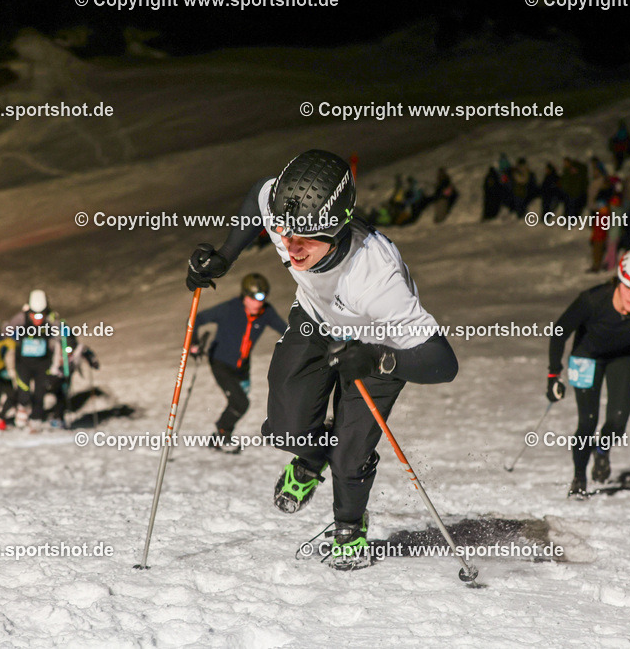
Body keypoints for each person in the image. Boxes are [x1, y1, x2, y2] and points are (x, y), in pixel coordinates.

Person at [185, 149, 458, 570]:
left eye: (306, 240)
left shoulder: (376, 277)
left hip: (380, 348)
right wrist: (225, 255)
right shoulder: (289, 214)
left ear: (338, 228)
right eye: (283, 233)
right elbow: (260, 194)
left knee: (350, 454)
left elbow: (443, 362)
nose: (290, 248)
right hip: (315, 319)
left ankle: (349, 525)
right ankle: (311, 459)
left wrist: (380, 360)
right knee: (287, 428)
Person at [547, 248, 630, 497]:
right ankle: (579, 478)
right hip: (586, 356)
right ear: (619, 280)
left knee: (616, 422)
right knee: (588, 421)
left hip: (624, 357)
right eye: (629, 288)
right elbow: (560, 330)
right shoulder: (593, 300)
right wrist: (553, 375)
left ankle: (602, 451)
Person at [189, 273, 288, 452]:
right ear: (244, 296)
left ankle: (221, 435)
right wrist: (193, 343)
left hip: (242, 365)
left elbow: (285, 331)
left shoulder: (266, 312)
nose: (258, 303)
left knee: (239, 400)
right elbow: (197, 318)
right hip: (221, 362)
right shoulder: (230, 308)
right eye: (254, 298)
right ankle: (221, 435)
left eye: (263, 298)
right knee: (240, 403)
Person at [4, 289, 62, 429]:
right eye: (34, 314)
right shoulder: (20, 318)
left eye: (41, 314)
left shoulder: (50, 320)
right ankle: (22, 410)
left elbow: (61, 337)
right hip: (23, 362)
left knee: (40, 392)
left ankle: (37, 417)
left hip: (42, 363)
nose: (37, 318)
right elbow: (6, 330)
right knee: (23, 390)